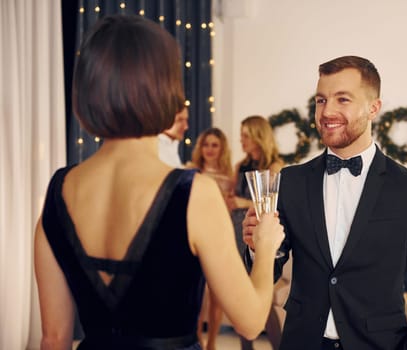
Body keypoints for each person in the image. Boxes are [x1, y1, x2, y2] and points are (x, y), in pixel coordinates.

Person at [33, 15, 284, 350]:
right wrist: (266, 245)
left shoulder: (58, 190)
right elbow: (251, 322)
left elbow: (54, 339)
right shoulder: (193, 192)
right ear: (165, 88)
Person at [242, 56, 407, 350]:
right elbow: (271, 269)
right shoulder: (291, 182)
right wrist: (257, 249)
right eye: (320, 100)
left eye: (342, 99)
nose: (327, 111)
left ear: (373, 108)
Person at [231, 115, 285, 350]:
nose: (241, 140)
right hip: (236, 232)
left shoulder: (275, 166)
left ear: (257, 136)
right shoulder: (239, 166)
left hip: (260, 234)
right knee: (239, 299)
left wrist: (241, 203)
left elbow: (270, 205)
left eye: (245, 135)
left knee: (263, 298)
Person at [187, 127, 235, 350]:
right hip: (193, 237)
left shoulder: (230, 174)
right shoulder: (190, 171)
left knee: (217, 294)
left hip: (220, 237)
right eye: (206, 144)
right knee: (194, 292)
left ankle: (212, 344)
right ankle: (195, 338)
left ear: (221, 148)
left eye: (214, 145)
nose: (209, 149)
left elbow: (232, 206)